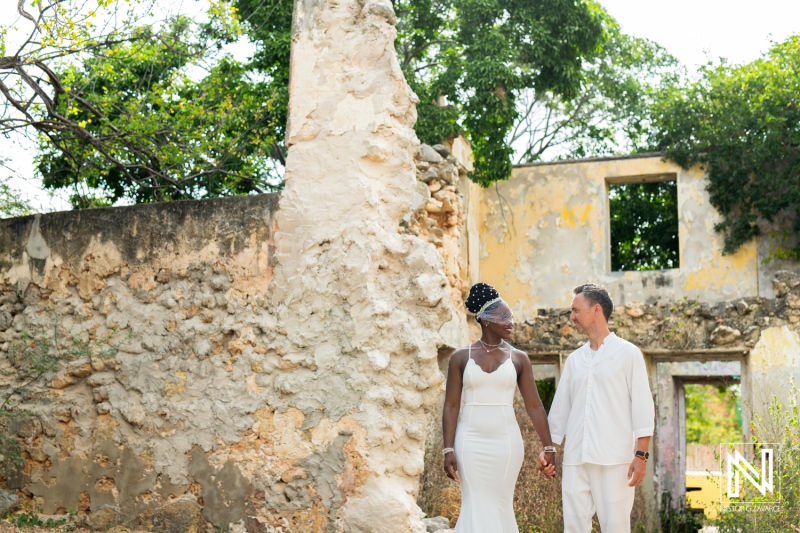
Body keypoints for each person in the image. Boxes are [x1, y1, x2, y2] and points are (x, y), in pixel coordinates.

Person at [539, 284, 655, 533]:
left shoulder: (628, 354)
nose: (572, 317)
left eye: (575, 310)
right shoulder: (574, 360)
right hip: (576, 459)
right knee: (573, 527)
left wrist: (641, 456)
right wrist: (549, 449)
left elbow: (643, 407)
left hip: (614, 460)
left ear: (596, 310)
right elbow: (560, 410)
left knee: (615, 528)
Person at [443, 282, 556, 533]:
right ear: (485, 320)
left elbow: (535, 406)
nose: (510, 321)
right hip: (469, 442)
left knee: (500, 504)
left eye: (511, 316)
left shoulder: (519, 358)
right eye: (503, 317)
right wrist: (448, 448)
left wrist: (548, 446)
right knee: (475, 503)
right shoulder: (460, 357)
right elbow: (451, 406)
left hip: (506, 443)